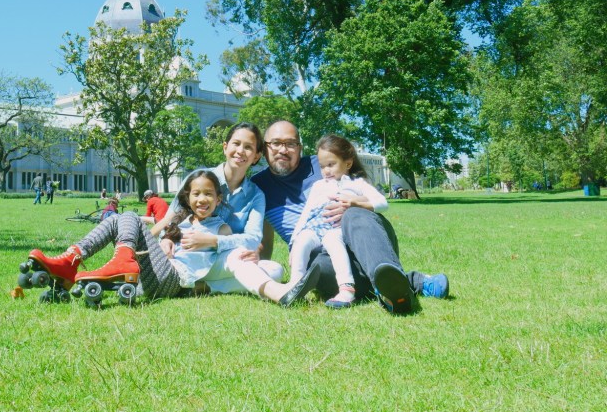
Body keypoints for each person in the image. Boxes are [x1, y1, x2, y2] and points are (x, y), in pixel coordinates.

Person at [252, 121, 450, 314]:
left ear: (300, 147)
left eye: (291, 143)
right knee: (318, 269)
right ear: (264, 147)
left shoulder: (321, 162)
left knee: (354, 214)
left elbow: (365, 189)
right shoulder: (258, 186)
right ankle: (405, 285)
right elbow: (264, 240)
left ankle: (392, 280)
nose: (283, 150)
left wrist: (351, 203)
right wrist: (250, 266)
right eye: (276, 143)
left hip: (364, 235)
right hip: (319, 254)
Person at [155, 122, 319, 305]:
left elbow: (253, 238)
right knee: (239, 256)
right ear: (225, 147)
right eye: (236, 144)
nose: (241, 151)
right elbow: (172, 219)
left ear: (257, 156)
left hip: (222, 262)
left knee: (275, 270)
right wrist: (165, 239)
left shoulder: (255, 194)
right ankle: (281, 294)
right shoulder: (199, 179)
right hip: (190, 256)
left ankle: (202, 287)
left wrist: (214, 241)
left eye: (248, 147)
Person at [26, 170, 231, 299]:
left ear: (218, 199)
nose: (202, 199)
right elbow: (148, 234)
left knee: (129, 215)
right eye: (196, 194)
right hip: (156, 271)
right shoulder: (182, 219)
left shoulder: (221, 228)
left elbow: (232, 260)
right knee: (117, 219)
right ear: (188, 198)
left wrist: (210, 246)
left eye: (208, 194)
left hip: (174, 280)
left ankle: (103, 261)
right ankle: (70, 260)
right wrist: (164, 241)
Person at [288, 134, 388, 309]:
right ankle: (295, 285)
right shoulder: (319, 185)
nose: (326, 171)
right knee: (301, 242)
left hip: (336, 227)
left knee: (333, 242)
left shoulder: (357, 184)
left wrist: (356, 202)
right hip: (315, 225)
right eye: (322, 166)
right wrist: (294, 239)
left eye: (331, 164)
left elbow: (382, 203)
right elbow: (306, 212)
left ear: (348, 163)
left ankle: (346, 288)